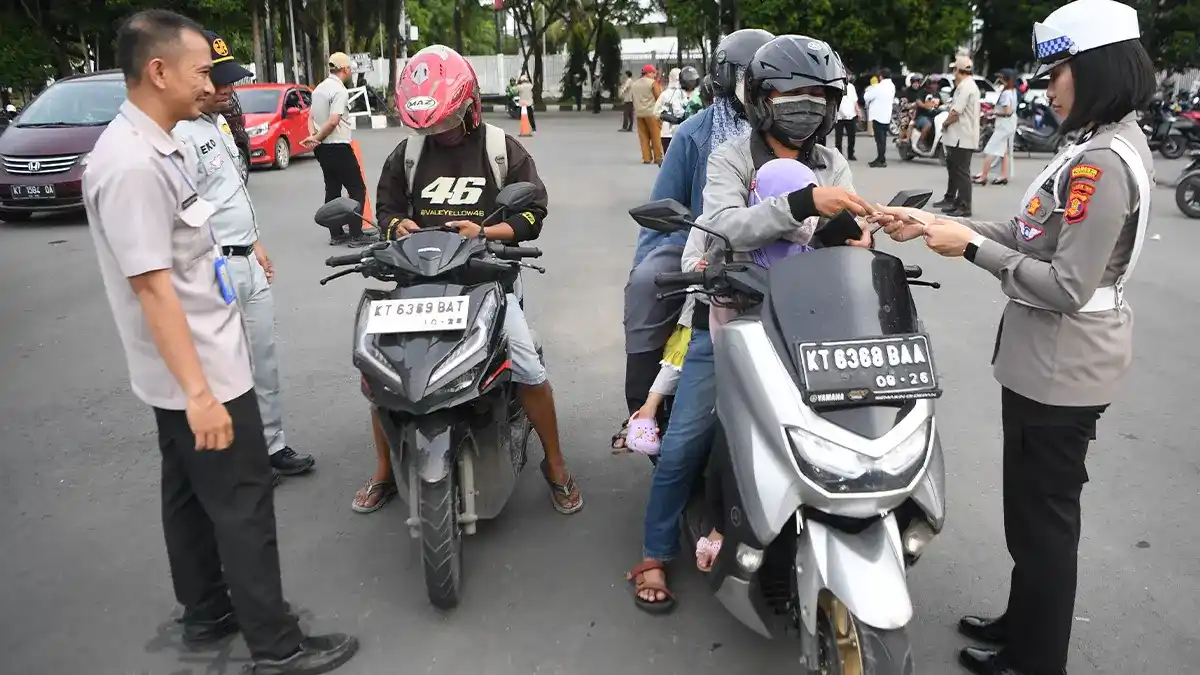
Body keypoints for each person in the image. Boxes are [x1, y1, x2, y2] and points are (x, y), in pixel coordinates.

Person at [872, 2, 1155, 673]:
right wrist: (932, 223)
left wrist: (970, 247)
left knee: (1043, 523)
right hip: (1047, 362)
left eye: (1057, 72)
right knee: (1029, 515)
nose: (1046, 87)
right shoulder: (1094, 142)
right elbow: (1030, 234)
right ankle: (1022, 623)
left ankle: (1036, 658)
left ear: (1096, 69)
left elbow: (1066, 285)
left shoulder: (1102, 162)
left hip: (1062, 366)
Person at [84, 10, 357, 674]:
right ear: (158, 71)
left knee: (186, 492)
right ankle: (276, 643)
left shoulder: (159, 144)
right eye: (202, 71)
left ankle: (206, 609)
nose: (211, 84)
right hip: (201, 368)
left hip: (186, 362)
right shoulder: (131, 165)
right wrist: (201, 393)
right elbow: (154, 289)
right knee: (244, 497)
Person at [625, 34, 875, 614]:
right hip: (730, 320)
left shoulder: (831, 163)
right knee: (686, 442)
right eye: (793, 95)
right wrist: (802, 206)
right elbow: (722, 226)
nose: (807, 106)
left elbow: (849, 233)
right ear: (761, 98)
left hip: (810, 324)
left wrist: (860, 235)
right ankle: (655, 550)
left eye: (819, 96)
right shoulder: (730, 155)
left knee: (835, 436)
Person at [359, 45, 583, 516]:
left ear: (469, 106)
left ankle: (556, 464)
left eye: (445, 121)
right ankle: (383, 470)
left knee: (526, 366)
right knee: (382, 373)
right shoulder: (408, 154)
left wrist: (484, 232)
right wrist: (398, 227)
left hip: (487, 282)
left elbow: (532, 214)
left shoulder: (502, 150)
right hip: (418, 281)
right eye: (427, 125)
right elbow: (386, 212)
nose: (437, 132)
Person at [618, 29, 775, 452]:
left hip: (778, 246)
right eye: (750, 76)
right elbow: (662, 211)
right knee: (648, 282)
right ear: (727, 78)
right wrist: (648, 263)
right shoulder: (694, 134)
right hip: (697, 242)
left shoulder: (792, 132)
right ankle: (642, 407)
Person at [173, 30, 317, 486]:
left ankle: (271, 445)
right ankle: (240, 460)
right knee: (227, 369)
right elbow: (186, 213)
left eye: (230, 81)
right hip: (215, 267)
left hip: (246, 259)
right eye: (219, 81)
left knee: (263, 361)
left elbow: (229, 194)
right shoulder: (180, 136)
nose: (227, 89)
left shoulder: (216, 124)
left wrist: (253, 242)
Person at [693, 157, 818, 570]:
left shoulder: (811, 248)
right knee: (725, 436)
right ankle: (717, 523)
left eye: (811, 202)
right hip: (745, 363)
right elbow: (697, 267)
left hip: (803, 360)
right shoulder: (732, 240)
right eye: (797, 202)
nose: (807, 218)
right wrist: (708, 272)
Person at [303, 52, 371, 247]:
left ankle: (336, 233)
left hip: (322, 149)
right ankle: (356, 234)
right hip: (339, 146)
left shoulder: (319, 89)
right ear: (345, 69)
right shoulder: (339, 91)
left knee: (332, 189)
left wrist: (315, 138)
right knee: (357, 189)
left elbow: (310, 117)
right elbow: (334, 121)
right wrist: (317, 137)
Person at [937, 55, 981, 216]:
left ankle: (965, 206)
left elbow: (956, 112)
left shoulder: (966, 87)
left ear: (958, 70)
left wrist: (945, 123)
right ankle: (957, 202)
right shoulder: (966, 85)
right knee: (957, 171)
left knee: (962, 173)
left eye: (954, 70)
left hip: (962, 137)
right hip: (960, 137)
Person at [975, 69, 1019, 185]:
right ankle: (1003, 175)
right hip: (1010, 124)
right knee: (1004, 151)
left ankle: (983, 176)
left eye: (1001, 77)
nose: (999, 79)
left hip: (1004, 125)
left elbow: (1007, 111)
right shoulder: (1013, 91)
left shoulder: (1005, 94)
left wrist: (992, 112)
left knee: (990, 149)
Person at [631, 64, 664, 165]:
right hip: (651, 113)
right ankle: (658, 157)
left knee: (643, 137)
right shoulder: (652, 83)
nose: (655, 75)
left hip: (639, 113)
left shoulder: (635, 84)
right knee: (655, 136)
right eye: (653, 73)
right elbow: (659, 98)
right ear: (648, 73)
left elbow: (633, 98)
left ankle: (646, 158)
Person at [864, 66, 896, 167]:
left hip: (877, 115)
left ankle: (881, 160)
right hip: (886, 116)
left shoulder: (878, 87)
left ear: (881, 76)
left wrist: (869, 90)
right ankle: (881, 158)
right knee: (883, 139)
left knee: (879, 140)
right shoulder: (892, 86)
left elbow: (867, 97)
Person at [834, 68, 861, 160]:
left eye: (849, 75)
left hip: (851, 115)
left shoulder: (851, 87)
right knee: (839, 137)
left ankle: (851, 153)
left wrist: (858, 111)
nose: (848, 77)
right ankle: (839, 154)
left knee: (852, 137)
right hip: (839, 116)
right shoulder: (837, 86)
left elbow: (854, 101)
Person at [914, 77, 942, 149]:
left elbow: (941, 104)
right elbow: (918, 101)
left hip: (935, 117)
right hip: (922, 117)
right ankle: (920, 142)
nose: (936, 85)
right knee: (928, 125)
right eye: (933, 83)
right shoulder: (922, 92)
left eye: (937, 84)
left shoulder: (937, 94)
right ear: (928, 84)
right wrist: (925, 106)